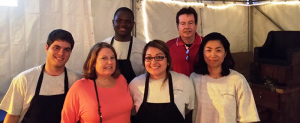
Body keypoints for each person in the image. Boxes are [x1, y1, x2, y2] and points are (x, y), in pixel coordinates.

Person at [0, 29, 81, 123]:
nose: (61, 53)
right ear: (47, 48)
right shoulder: (24, 79)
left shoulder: (76, 80)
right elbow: (12, 117)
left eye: (66, 49)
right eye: (56, 47)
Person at [191, 32, 260, 123]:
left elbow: (248, 116)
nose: (213, 55)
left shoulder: (237, 79)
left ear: (225, 53)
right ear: (202, 52)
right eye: (208, 50)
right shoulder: (194, 79)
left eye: (218, 50)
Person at [61, 42, 132, 123]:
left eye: (112, 58)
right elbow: (66, 120)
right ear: (93, 62)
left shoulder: (121, 80)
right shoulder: (79, 88)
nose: (110, 62)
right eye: (104, 58)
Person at [129, 40, 195, 123]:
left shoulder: (184, 82)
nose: (153, 62)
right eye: (149, 58)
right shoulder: (135, 84)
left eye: (159, 57)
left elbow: (189, 113)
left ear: (168, 60)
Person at [102, 7, 146, 83]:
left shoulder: (143, 47)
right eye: (119, 21)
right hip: (107, 92)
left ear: (133, 24)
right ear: (113, 22)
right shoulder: (103, 46)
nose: (123, 24)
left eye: (127, 21)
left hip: (135, 92)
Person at [166, 7, 203, 77]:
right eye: (183, 23)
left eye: (190, 23)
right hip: (178, 87)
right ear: (177, 27)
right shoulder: (169, 46)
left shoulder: (206, 43)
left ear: (196, 25)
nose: (187, 27)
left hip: (203, 86)